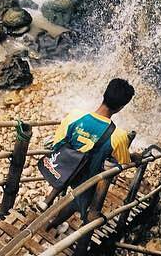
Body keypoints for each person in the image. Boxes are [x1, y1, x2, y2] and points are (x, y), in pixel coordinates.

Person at [39, 78, 137, 224]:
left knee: (66, 182)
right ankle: (52, 225)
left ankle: (48, 202)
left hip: (63, 168)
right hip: (87, 179)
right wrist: (136, 157)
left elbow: (58, 143)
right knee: (77, 202)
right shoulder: (118, 136)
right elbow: (123, 161)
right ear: (121, 107)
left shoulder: (75, 116)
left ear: (105, 94)